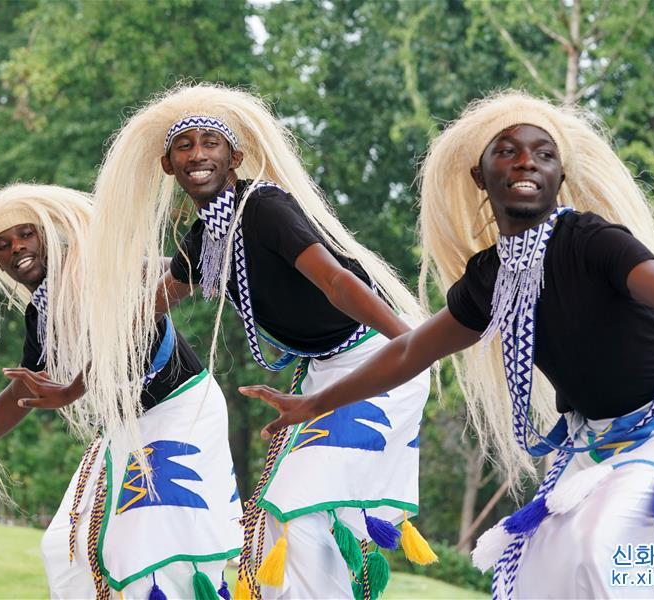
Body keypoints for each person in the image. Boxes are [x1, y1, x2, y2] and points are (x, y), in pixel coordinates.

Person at [240, 92, 654, 598]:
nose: (527, 161)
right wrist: (316, 403)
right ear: (481, 176)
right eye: (507, 151)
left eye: (543, 153)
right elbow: (410, 353)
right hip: (593, 444)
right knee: (542, 572)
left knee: (604, 545)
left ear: (559, 174)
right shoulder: (488, 278)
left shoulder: (591, 240)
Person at [87, 83, 434, 598]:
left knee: (302, 507)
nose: (197, 154)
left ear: (236, 158)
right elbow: (163, 294)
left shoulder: (264, 207)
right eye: (184, 146)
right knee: (279, 515)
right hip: (326, 370)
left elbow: (337, 281)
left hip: (382, 354)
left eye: (210, 143)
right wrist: (95, 300)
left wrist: (410, 345)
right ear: (168, 165)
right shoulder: (209, 234)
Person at [0, 183, 240, 599]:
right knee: (65, 548)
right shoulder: (41, 315)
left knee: (149, 545)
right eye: (3, 245)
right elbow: (20, 395)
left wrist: (203, 266)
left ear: (47, 237)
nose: (16, 248)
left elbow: (167, 279)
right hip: (128, 426)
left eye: (25, 235)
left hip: (181, 406)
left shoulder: (97, 266)